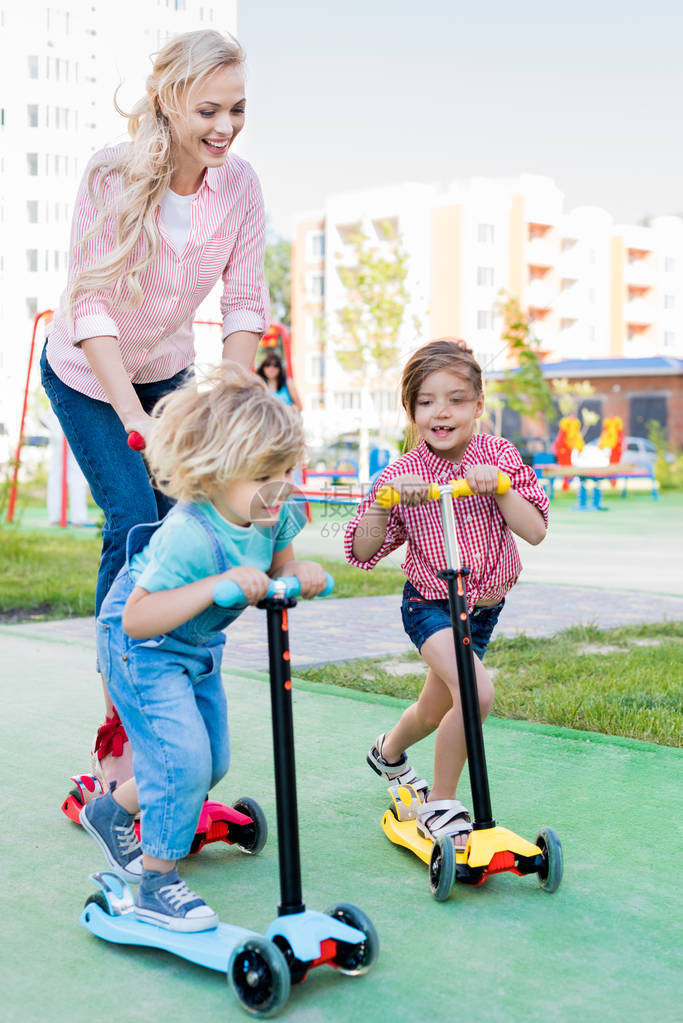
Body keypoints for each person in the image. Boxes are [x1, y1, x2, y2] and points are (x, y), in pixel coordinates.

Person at [40, 29, 271, 788]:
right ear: (169, 102)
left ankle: (176, 673)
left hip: (167, 370)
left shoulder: (239, 186)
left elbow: (243, 300)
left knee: (196, 515)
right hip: (87, 370)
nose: (225, 128)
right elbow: (94, 305)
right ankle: (123, 709)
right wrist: (133, 418)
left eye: (237, 110)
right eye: (208, 110)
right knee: (136, 514)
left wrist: (226, 404)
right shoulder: (110, 174)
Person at [80, 362, 326, 930]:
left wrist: (301, 573)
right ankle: (156, 884)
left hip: (196, 649)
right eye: (265, 474)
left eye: (286, 470)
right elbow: (136, 620)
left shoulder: (276, 510)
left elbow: (280, 567)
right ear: (217, 473)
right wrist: (213, 587)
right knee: (183, 762)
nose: (280, 486)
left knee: (211, 761)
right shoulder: (189, 533)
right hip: (140, 649)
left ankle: (110, 811)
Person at [344, 338, 549, 849]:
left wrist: (500, 487)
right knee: (476, 694)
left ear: (479, 405)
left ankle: (388, 753)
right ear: (411, 410)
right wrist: (386, 501)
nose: (443, 412)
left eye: (457, 399)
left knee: (436, 710)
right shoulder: (401, 473)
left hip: (482, 609)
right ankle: (442, 802)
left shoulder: (499, 456)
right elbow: (361, 549)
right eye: (428, 401)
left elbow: (536, 529)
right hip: (431, 604)